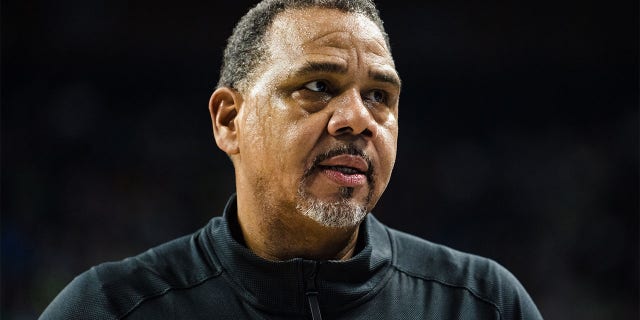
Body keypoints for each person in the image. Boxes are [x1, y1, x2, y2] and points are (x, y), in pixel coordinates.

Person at [40, 0, 543, 319]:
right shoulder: (110, 308)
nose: (357, 119)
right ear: (229, 120)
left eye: (379, 96)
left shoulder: (481, 303)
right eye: (318, 86)